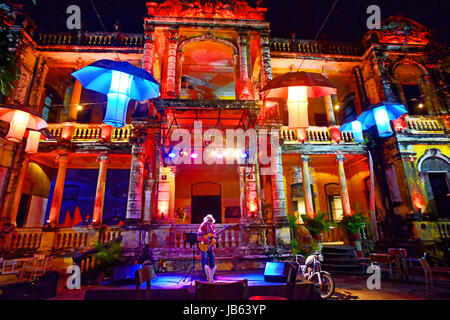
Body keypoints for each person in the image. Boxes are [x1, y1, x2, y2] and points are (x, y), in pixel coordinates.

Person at [197, 214, 216, 279]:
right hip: (204, 245)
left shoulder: (212, 226)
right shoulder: (203, 225)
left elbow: (213, 234)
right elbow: (199, 236)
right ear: (206, 220)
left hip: (210, 245)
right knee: (204, 259)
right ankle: (205, 274)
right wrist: (205, 238)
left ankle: (211, 274)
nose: (210, 222)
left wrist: (213, 236)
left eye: (211, 220)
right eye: (209, 220)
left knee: (212, 259)